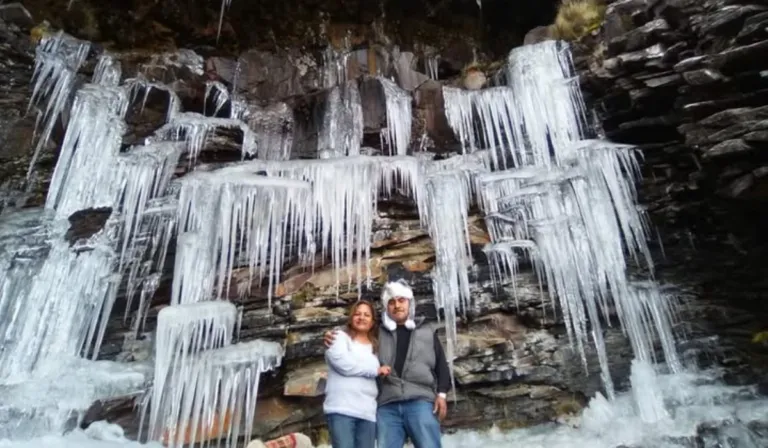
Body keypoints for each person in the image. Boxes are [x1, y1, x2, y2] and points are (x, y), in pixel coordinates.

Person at [325, 280, 451, 448]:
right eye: (391, 302)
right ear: (386, 307)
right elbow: (357, 327)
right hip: (387, 406)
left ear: (409, 303)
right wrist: (330, 335)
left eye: (401, 300)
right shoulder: (377, 333)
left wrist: (442, 395)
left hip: (420, 401)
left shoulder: (427, 331)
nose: (397, 305)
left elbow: (442, 365)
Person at [323, 300, 390, 448]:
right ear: (351, 317)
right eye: (357, 314)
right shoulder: (339, 337)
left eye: (367, 315)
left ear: (372, 322)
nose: (362, 317)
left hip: (367, 411)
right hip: (342, 409)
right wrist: (375, 371)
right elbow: (343, 364)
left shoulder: (376, 346)